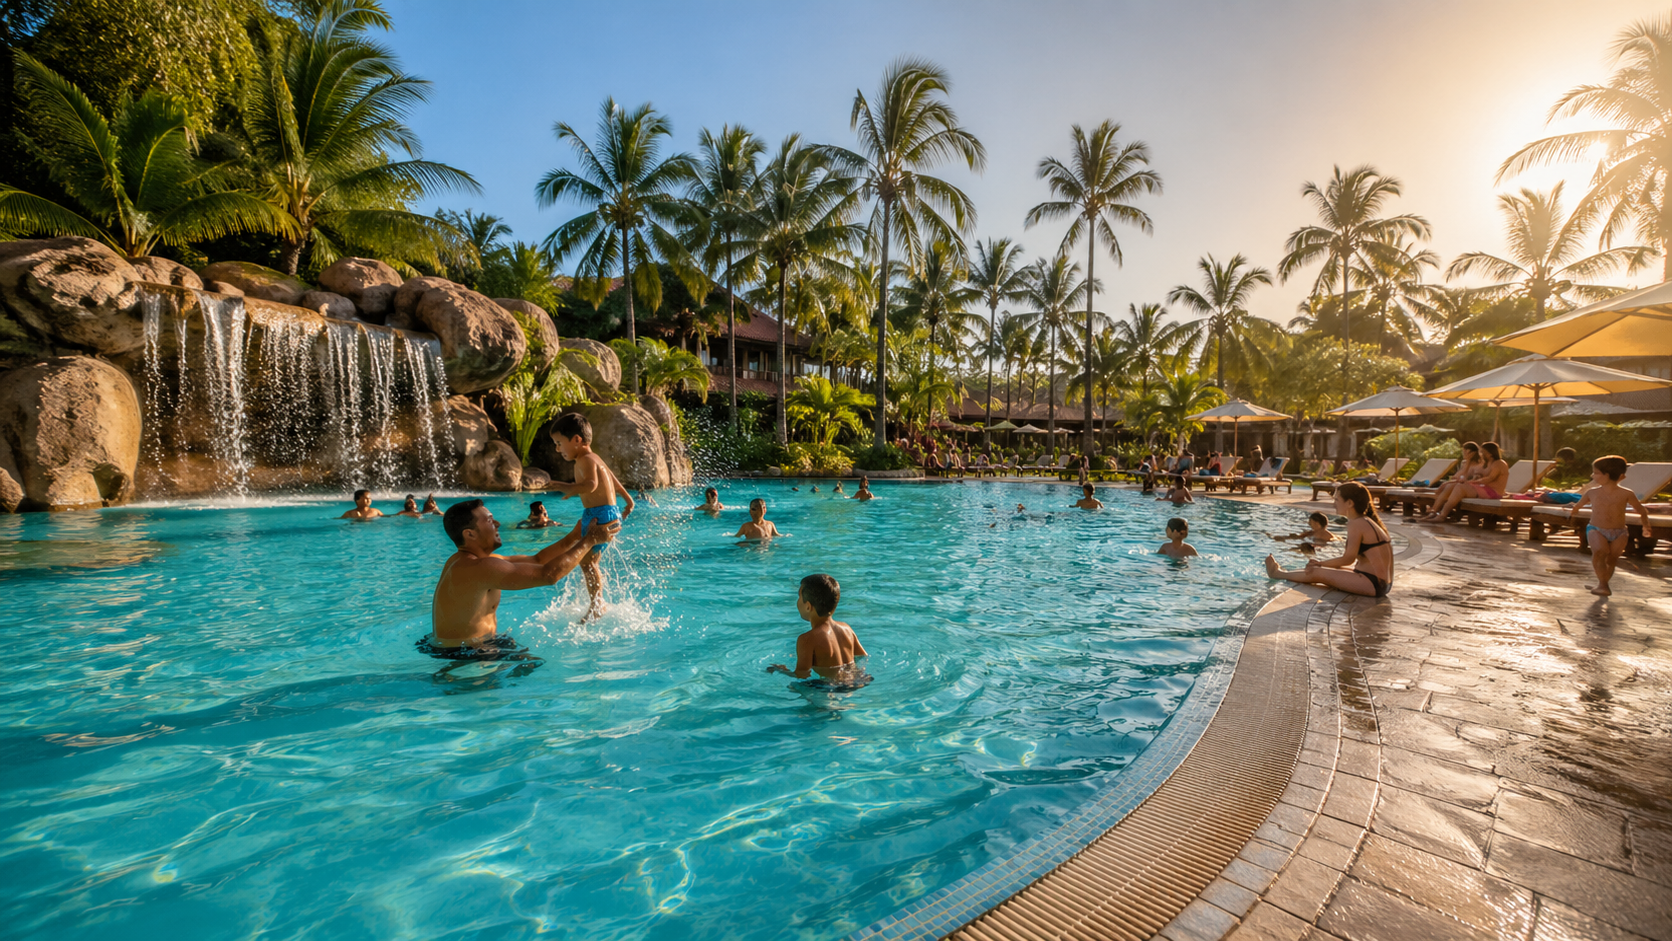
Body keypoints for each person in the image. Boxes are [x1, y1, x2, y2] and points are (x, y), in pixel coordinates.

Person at [426, 499, 618, 652]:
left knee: (530, 662)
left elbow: (538, 560)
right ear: (470, 534)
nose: (498, 524)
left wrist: (574, 536)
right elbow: (549, 575)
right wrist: (589, 541)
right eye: (490, 521)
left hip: (469, 645)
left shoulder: (471, 561)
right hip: (463, 654)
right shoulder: (478, 567)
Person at [545, 412, 636, 618]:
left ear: (577, 440)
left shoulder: (585, 459)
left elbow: (591, 485)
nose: (557, 449)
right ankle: (597, 603)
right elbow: (613, 479)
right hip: (603, 512)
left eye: (559, 443)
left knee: (588, 563)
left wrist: (565, 487)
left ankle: (597, 606)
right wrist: (629, 500)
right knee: (589, 561)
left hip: (600, 514)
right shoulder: (595, 458)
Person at [1266, 482, 1394, 597]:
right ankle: (1286, 572)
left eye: (1337, 500)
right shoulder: (1366, 521)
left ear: (1350, 503)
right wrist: (1321, 563)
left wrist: (1320, 564)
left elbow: (1348, 559)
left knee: (1317, 572)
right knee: (1329, 567)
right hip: (1380, 583)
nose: (1334, 504)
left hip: (1374, 584)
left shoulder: (1356, 523)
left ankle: (1277, 574)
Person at [1568, 455, 1654, 596]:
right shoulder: (1592, 492)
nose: (1592, 476)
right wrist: (1573, 511)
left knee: (1612, 559)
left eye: (1596, 473)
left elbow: (1641, 510)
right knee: (1599, 553)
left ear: (1606, 475)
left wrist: (1646, 526)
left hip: (1619, 532)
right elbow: (1578, 505)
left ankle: (1602, 583)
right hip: (1596, 529)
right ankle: (1603, 585)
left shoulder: (1626, 493)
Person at [767, 573, 870, 687]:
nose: (797, 601)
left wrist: (782, 670)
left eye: (799, 597)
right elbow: (863, 656)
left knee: (793, 688)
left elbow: (802, 674)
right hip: (858, 681)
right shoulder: (847, 629)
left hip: (829, 688)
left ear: (808, 606)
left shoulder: (807, 639)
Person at [1422, 441, 1508, 522]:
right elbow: (1477, 475)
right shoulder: (1488, 463)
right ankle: (1433, 512)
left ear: (1490, 453)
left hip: (1493, 492)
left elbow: (1489, 479)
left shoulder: (1499, 463)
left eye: (1483, 452)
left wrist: (1472, 482)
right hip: (1483, 489)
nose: (1481, 454)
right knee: (1451, 486)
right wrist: (1474, 476)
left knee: (1460, 487)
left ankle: (1442, 516)